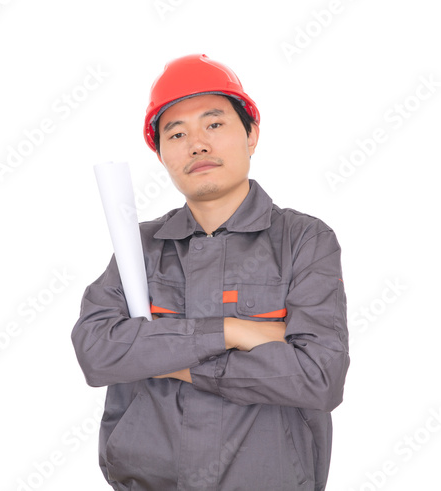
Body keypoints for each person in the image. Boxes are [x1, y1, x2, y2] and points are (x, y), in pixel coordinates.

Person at [71, 53, 350, 491]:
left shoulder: (304, 240)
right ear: (160, 153)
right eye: (176, 133)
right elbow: (95, 353)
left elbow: (318, 379)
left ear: (252, 134)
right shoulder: (139, 246)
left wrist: (166, 358)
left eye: (214, 124)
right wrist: (233, 332)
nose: (196, 144)